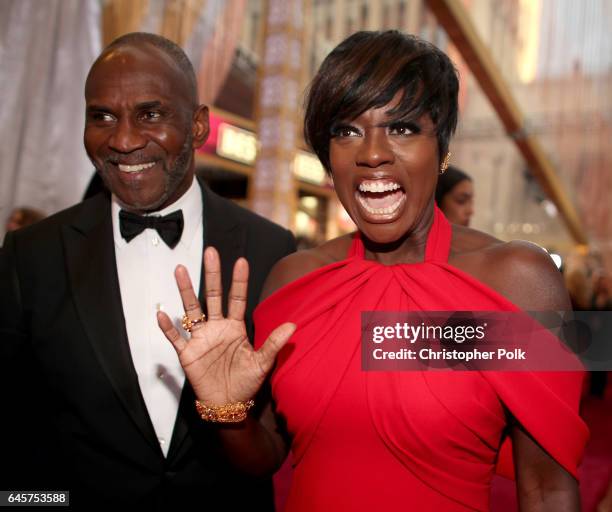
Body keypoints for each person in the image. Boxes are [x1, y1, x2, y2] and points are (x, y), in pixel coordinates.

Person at [157, 31, 587, 511]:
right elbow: (268, 456)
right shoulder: (292, 280)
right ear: (328, 158)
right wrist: (226, 411)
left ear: (442, 147)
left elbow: (548, 489)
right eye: (347, 130)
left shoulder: (517, 279)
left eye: (402, 127)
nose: (373, 153)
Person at [0, 32, 295, 509]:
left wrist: (229, 413)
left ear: (198, 126)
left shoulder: (269, 248)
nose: (122, 139)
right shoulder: (30, 255)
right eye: (103, 116)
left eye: (150, 114)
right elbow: (13, 429)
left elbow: (274, 451)